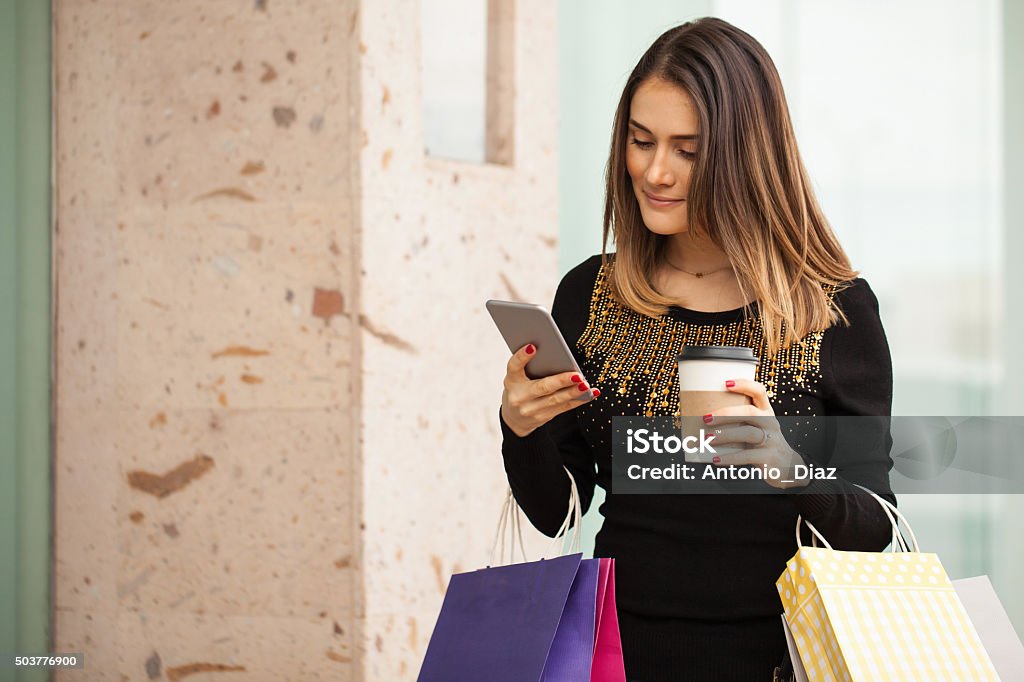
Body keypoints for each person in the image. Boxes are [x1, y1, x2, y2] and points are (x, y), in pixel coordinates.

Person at [497, 17, 896, 682]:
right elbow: (552, 513)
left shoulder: (830, 308)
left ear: (746, 155)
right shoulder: (591, 293)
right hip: (614, 655)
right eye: (641, 140)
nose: (656, 171)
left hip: (778, 658)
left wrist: (786, 465)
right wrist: (520, 427)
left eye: (688, 149)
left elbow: (873, 527)